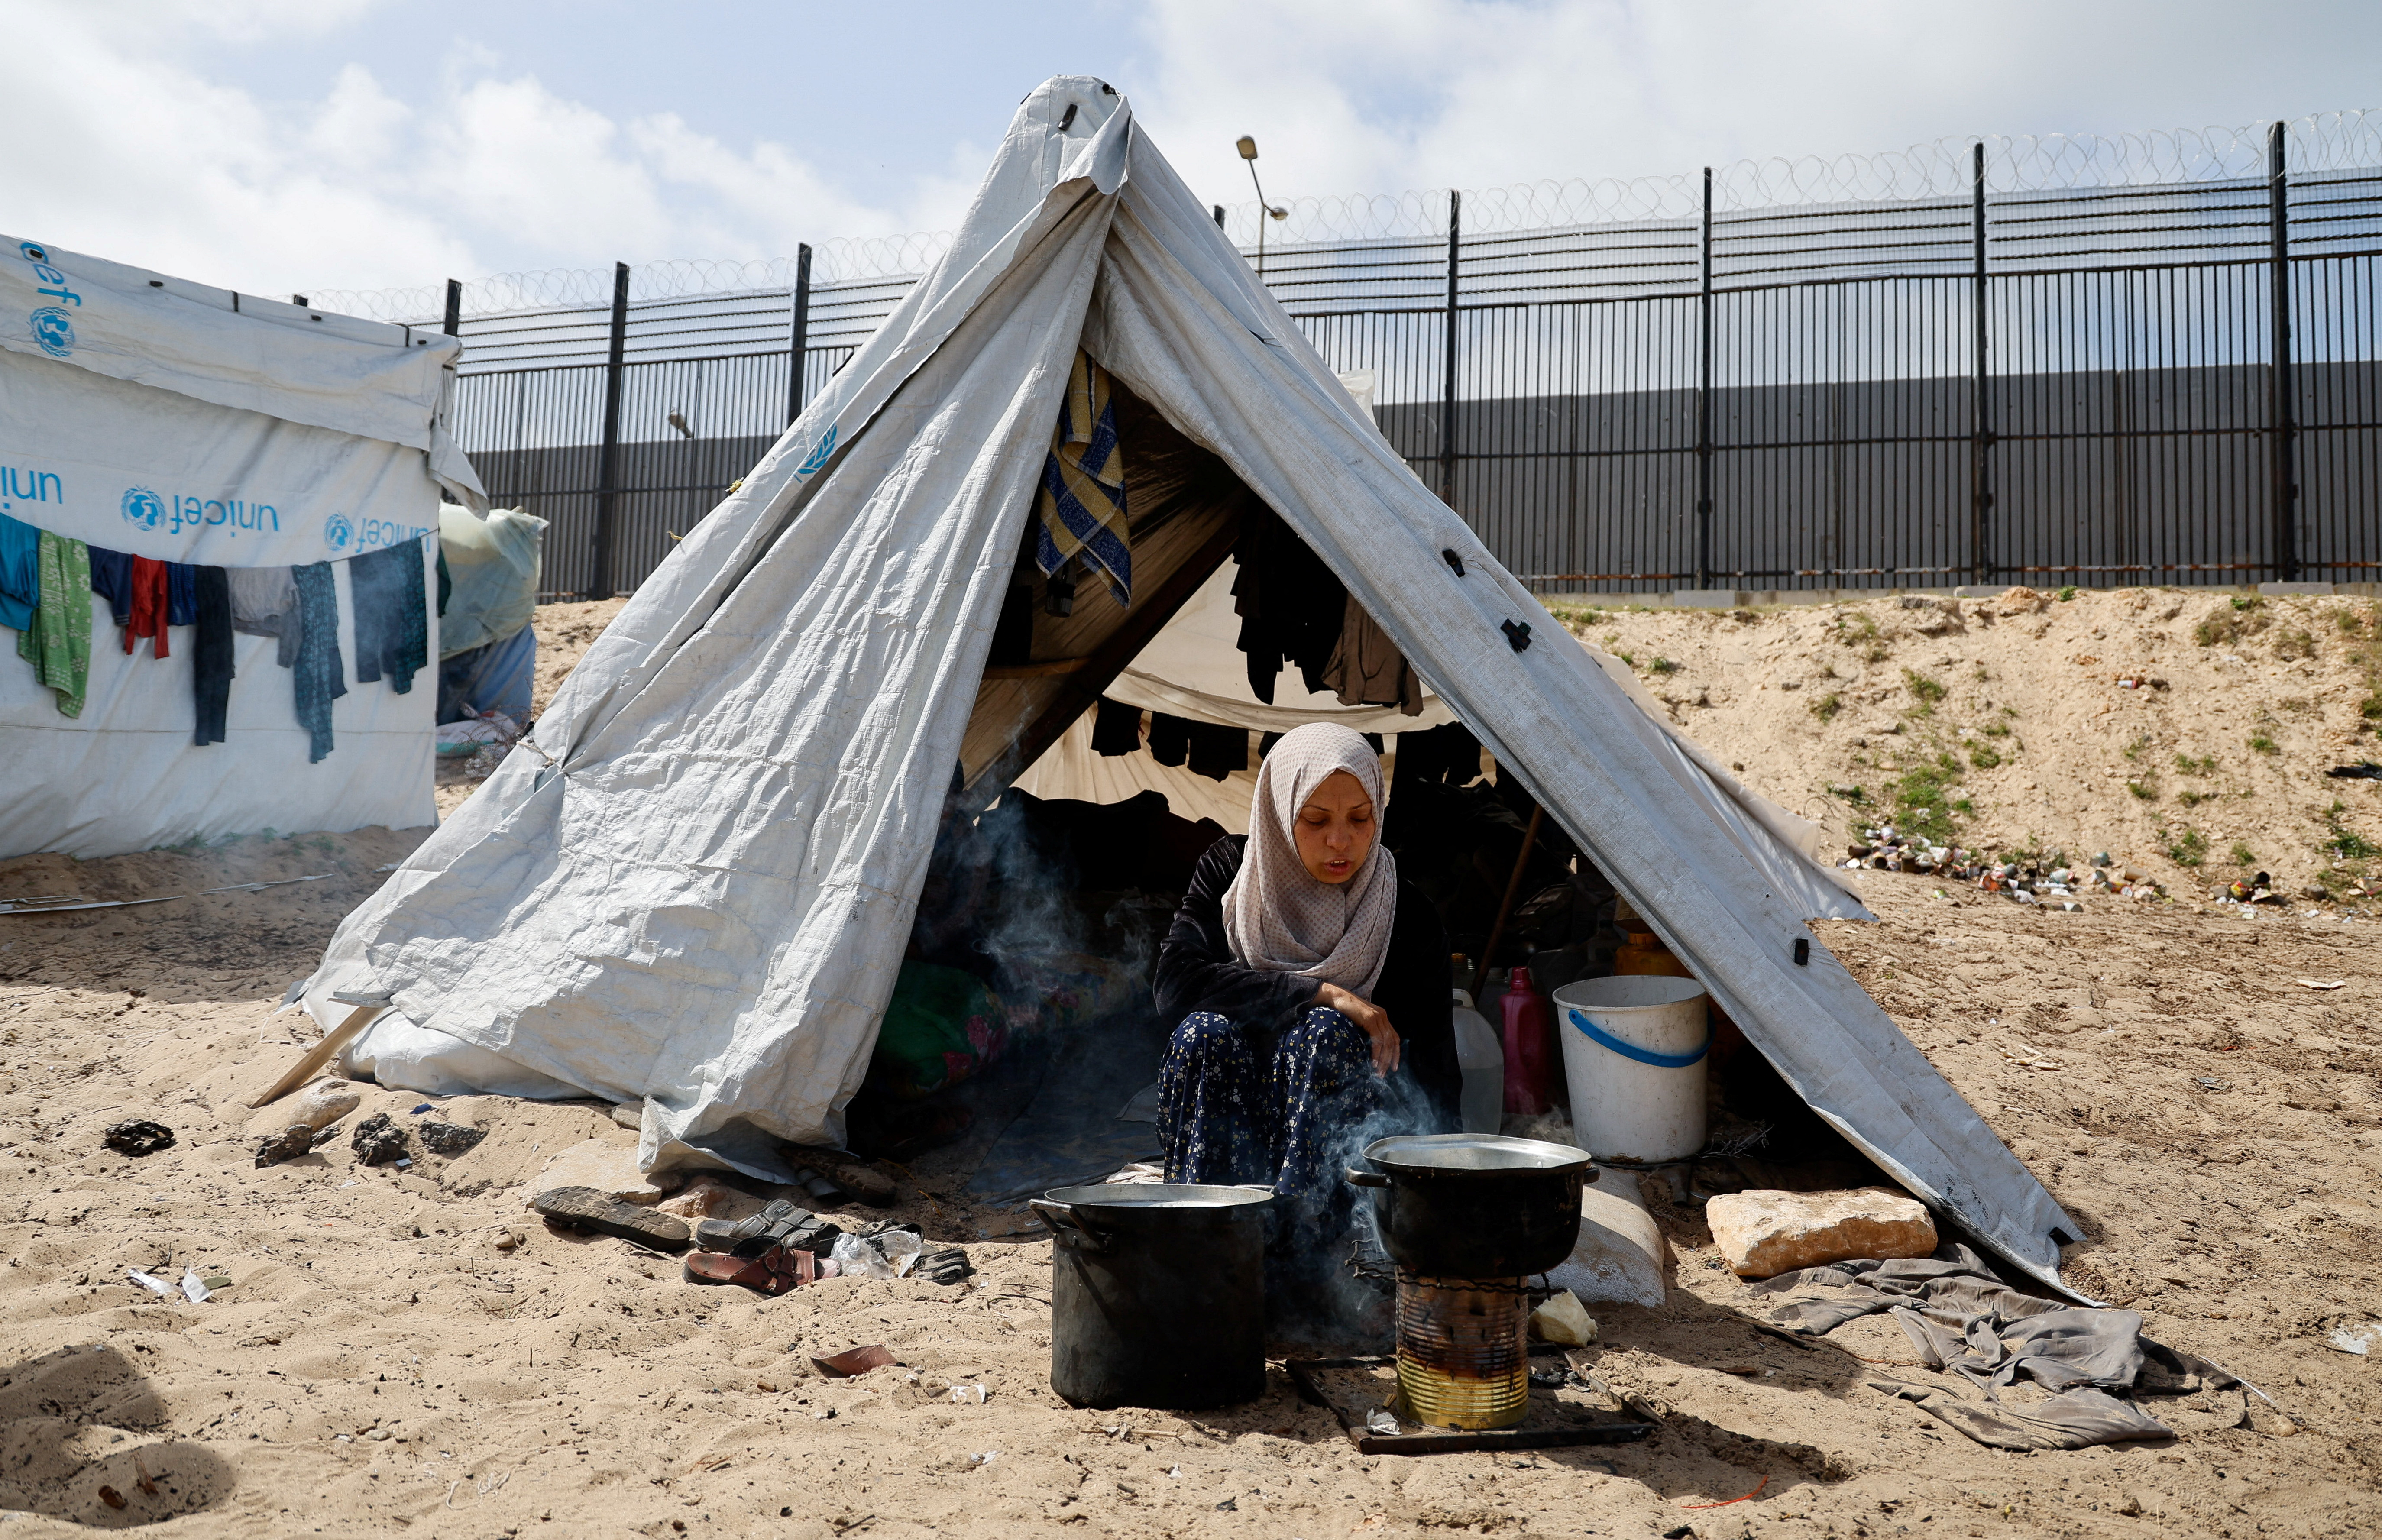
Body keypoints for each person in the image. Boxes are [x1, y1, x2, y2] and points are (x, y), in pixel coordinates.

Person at [1152, 722, 1455, 1212]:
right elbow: (1176, 986)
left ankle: (1304, 1245)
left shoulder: (1406, 913)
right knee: (1203, 1033)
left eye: (1360, 818)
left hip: (1341, 1141)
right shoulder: (1232, 873)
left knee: (1326, 1034)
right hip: (1228, 1125)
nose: (1340, 841)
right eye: (1316, 820)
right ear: (1279, 811)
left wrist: (1441, 1184)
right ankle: (1207, 1229)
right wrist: (1324, 992)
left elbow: (1437, 1071)